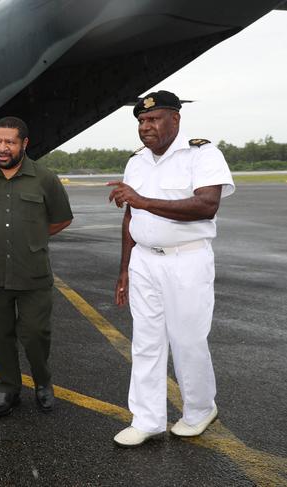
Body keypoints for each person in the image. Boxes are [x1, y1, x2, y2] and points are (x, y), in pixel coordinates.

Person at [107, 90, 234, 447]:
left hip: (186, 259)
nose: (145, 127)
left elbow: (206, 205)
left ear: (175, 119)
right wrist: (125, 268)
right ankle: (147, 419)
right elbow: (130, 216)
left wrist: (142, 200)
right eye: (140, 122)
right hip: (145, 259)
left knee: (187, 340)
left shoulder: (202, 154)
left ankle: (199, 410)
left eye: (153, 119)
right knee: (145, 343)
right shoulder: (137, 161)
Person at [0, 116, 73, 416]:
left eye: (9, 142)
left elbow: (62, 218)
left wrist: (32, 237)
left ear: (24, 144)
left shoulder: (45, 178)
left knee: (35, 333)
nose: (2, 148)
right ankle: (8, 388)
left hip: (32, 272)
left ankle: (43, 383)